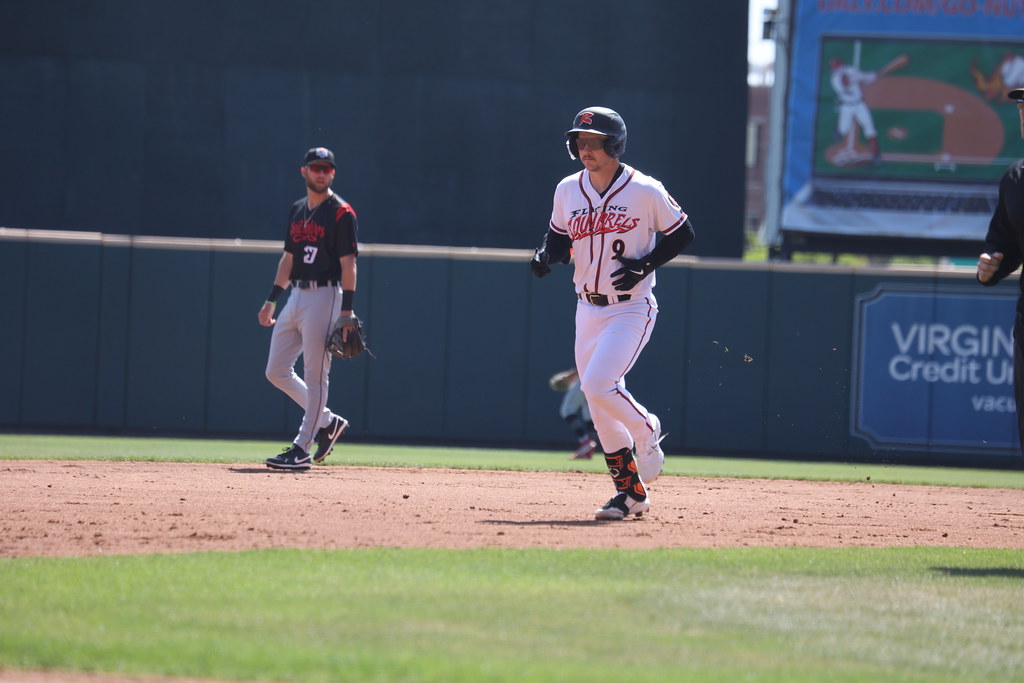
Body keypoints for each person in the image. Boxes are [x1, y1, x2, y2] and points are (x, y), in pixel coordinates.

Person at [530, 107, 695, 520]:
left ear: (615, 145)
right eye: (580, 142)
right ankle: (630, 495)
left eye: (595, 142)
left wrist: (646, 264)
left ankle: (647, 429)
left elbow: (682, 233)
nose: (586, 149)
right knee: (599, 403)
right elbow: (558, 237)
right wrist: (545, 254)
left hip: (631, 307)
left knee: (599, 385)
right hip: (587, 307)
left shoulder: (645, 189)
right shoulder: (567, 189)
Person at [258, 147, 360, 470]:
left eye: (326, 169)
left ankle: (302, 448)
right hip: (296, 295)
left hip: (325, 296)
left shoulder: (341, 213)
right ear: (304, 171)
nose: (321, 173)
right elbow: (289, 259)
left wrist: (346, 312)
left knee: (315, 374)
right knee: (276, 371)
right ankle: (328, 422)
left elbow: (349, 264)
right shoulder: (297, 210)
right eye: (315, 167)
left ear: (333, 173)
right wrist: (272, 299)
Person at [977, 88, 1024, 456]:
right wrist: (991, 266)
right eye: (1022, 106)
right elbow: (1004, 244)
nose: (1023, 113)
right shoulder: (1016, 179)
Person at [829, 57, 881, 164]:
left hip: (860, 105)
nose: (838, 69)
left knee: (870, 129)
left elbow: (864, 78)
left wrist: (872, 76)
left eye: (838, 66)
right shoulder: (835, 80)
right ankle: (837, 129)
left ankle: (876, 154)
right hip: (847, 107)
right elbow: (846, 82)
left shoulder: (852, 70)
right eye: (835, 68)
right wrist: (866, 77)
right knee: (843, 130)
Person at [549, 368, 599, 460]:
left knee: (567, 410)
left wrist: (569, 376)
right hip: (598, 378)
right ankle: (588, 449)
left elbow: (585, 364)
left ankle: (586, 441)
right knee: (589, 413)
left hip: (585, 378)